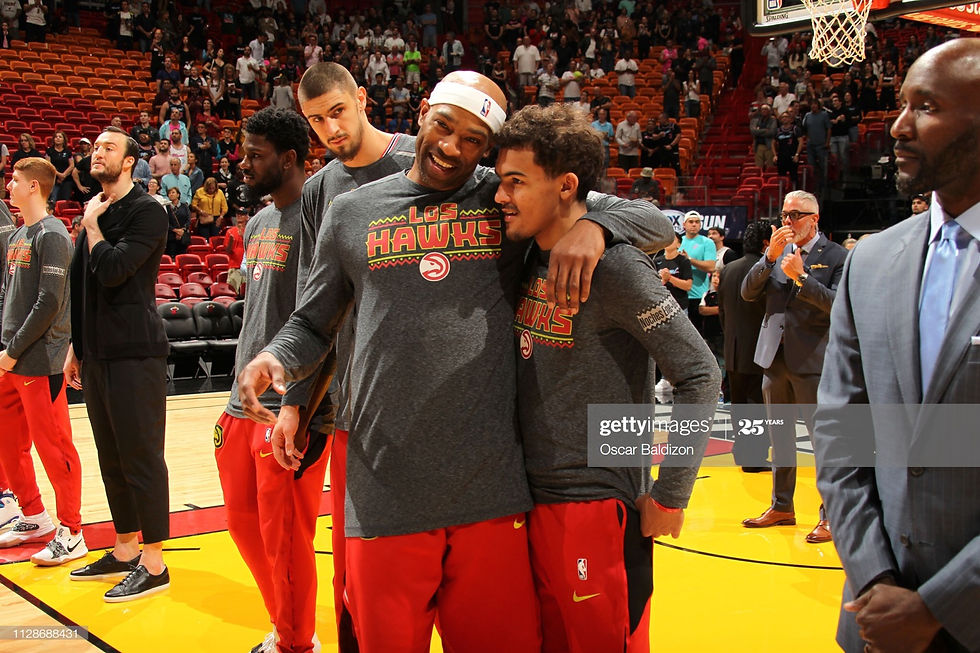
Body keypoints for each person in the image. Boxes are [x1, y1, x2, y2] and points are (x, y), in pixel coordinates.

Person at [239, 70, 671, 653]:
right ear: (422, 112)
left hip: (491, 494)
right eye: (444, 126)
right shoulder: (349, 213)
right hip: (385, 488)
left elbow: (657, 223)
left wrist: (595, 224)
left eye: (473, 139)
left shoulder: (507, 197)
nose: (452, 147)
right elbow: (313, 322)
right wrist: (275, 360)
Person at [494, 102, 719, 653]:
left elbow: (700, 374)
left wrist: (671, 493)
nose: (501, 196)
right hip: (528, 499)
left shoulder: (615, 268)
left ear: (566, 186)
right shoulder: (527, 250)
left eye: (516, 183)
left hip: (595, 505)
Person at [813, 38, 980, 653]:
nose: (899, 126)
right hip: (873, 618)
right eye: (903, 105)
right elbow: (840, 429)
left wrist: (941, 605)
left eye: (927, 106)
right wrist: (877, 577)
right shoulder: (874, 258)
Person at [212, 106, 327, 653]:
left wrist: (298, 404)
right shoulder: (257, 223)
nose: (244, 163)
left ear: (289, 158)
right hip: (242, 402)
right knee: (242, 525)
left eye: (256, 155)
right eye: (244, 151)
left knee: (284, 537)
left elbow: (322, 319)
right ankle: (283, 624)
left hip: (288, 405)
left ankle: (295, 642)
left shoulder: (316, 218)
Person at [64, 126, 171, 602]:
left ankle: (155, 562)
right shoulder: (98, 207)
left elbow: (111, 271)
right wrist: (76, 347)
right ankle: (125, 548)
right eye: (95, 148)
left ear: (129, 162)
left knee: (141, 457)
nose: (97, 153)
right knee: (111, 458)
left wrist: (90, 227)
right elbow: (82, 285)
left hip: (135, 352)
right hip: (98, 353)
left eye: (109, 148)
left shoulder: (147, 211)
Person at [740, 190, 847, 544]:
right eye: (784, 215)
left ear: (814, 219)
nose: (787, 222)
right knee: (779, 439)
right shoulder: (776, 252)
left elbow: (837, 306)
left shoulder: (836, 256)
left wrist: (802, 277)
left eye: (795, 215)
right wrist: (768, 259)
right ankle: (782, 506)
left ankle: (831, 515)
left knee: (824, 444)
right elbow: (747, 292)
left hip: (814, 362)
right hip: (774, 360)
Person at [0, 158, 85, 565]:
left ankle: (72, 531)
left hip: (38, 359)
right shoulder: (18, 234)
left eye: (15, 180)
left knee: (54, 446)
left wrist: (13, 349)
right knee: (8, 442)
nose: (9, 185)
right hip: (10, 359)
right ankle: (33, 514)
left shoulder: (53, 234)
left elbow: (49, 302)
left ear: (34, 187)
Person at [717, 221, 769, 471]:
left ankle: (743, 454)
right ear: (766, 243)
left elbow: (722, 311)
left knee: (739, 405)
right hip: (760, 348)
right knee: (757, 405)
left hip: (733, 346)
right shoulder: (768, 269)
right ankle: (754, 458)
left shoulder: (729, 269)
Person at [678, 210, 715, 333]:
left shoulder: (707, 243)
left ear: (700, 225)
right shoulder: (677, 241)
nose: (694, 224)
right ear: (684, 224)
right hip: (679, 295)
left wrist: (689, 260)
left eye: (697, 222)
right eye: (691, 222)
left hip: (698, 295)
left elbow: (711, 267)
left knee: (697, 333)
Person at [164, 186, 190, 257]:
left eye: (173, 192)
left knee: (182, 256)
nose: (171, 194)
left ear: (178, 195)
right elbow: (165, 222)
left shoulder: (184, 206)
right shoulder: (166, 207)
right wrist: (175, 230)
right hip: (171, 236)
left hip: (183, 235)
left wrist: (182, 230)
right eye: (169, 193)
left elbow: (188, 220)